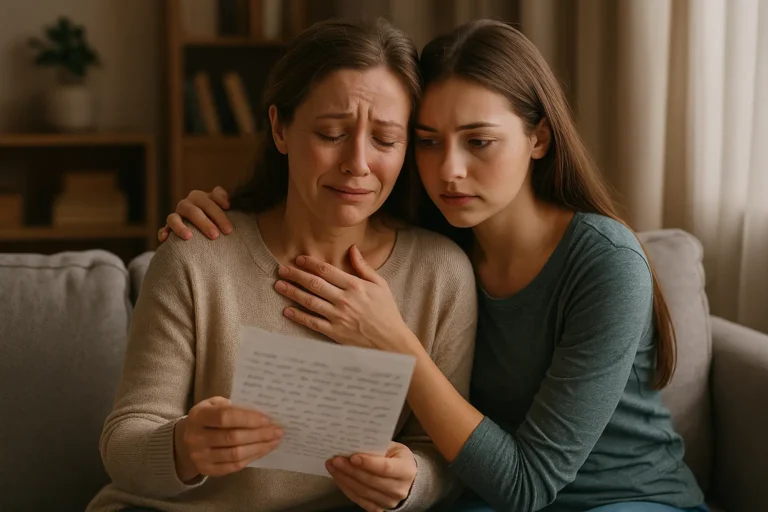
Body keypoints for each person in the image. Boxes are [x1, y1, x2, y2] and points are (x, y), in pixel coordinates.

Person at [162, 19, 711, 512]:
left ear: (538, 136)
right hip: (486, 494)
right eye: (426, 142)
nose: (449, 170)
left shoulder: (605, 261)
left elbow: (526, 485)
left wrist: (394, 343)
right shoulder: (441, 241)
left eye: (480, 142)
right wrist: (213, 211)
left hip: (622, 498)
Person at [88, 18, 478, 512]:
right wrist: (185, 446)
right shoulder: (198, 254)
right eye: (332, 133)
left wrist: (411, 483)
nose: (357, 162)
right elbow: (124, 443)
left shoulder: (441, 275)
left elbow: (441, 453)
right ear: (279, 127)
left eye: (385, 140)